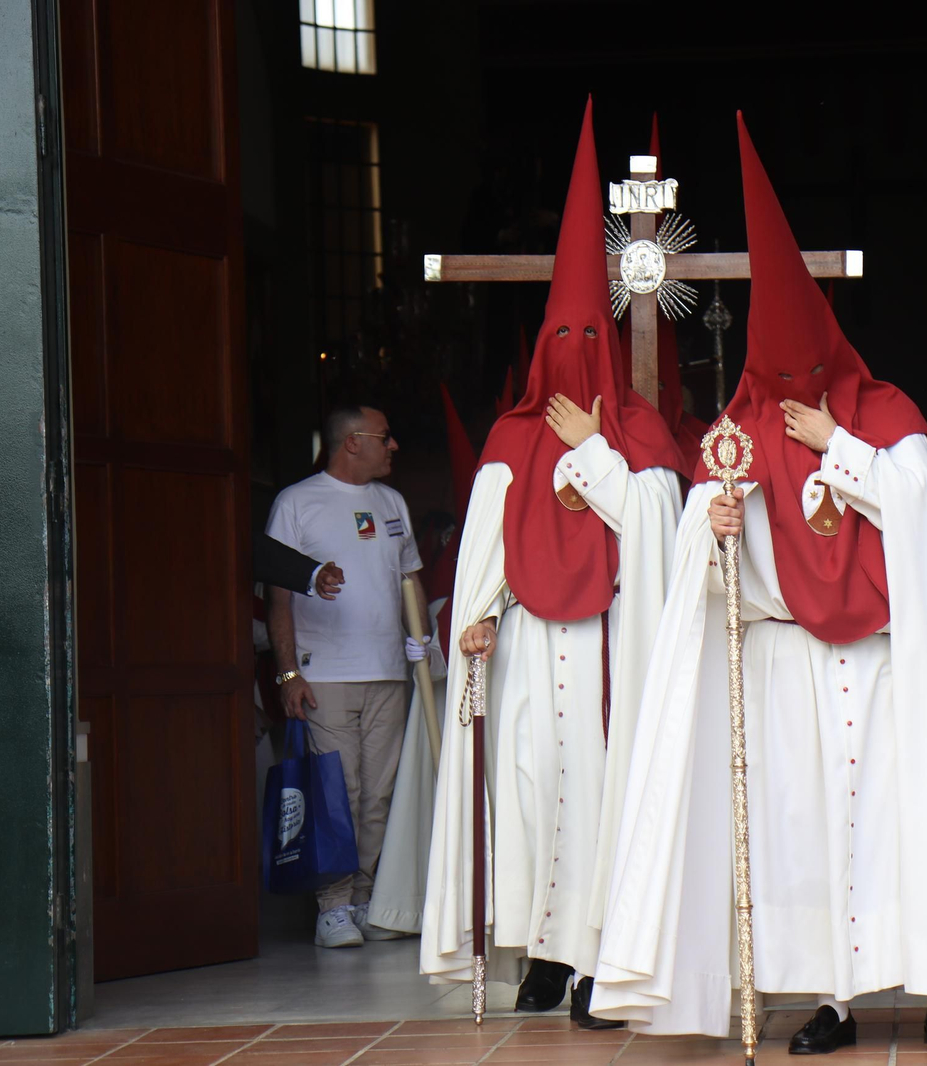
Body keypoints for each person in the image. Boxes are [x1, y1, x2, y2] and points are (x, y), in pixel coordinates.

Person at [589, 114, 927, 1052]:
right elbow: (704, 562)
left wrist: (834, 447)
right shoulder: (738, 433)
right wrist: (714, 531)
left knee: (912, 828)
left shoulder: (884, 414)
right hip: (788, 669)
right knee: (806, 838)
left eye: (810, 369)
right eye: (779, 372)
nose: (794, 388)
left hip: (893, 669)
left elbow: (921, 517)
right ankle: (828, 1000)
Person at [420, 99, 685, 1029]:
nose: (573, 359)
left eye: (587, 342)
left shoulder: (639, 431)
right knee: (530, 795)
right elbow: (487, 545)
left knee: (606, 794)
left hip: (612, 639)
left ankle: (602, 953)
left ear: (607, 347)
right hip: (533, 644)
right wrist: (479, 614)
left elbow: (658, 526)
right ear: (541, 347)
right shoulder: (508, 435)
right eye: (558, 343)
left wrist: (594, 453)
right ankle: (540, 951)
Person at [265, 402, 437, 948]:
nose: (393, 447)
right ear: (351, 442)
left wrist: (420, 636)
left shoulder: (392, 502)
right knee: (341, 790)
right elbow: (279, 592)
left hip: (388, 669)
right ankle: (332, 907)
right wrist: (288, 673)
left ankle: (366, 898)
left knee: (379, 794)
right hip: (327, 673)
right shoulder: (296, 502)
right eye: (384, 438)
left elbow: (410, 578)